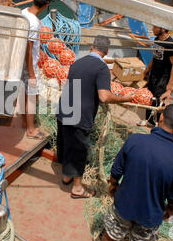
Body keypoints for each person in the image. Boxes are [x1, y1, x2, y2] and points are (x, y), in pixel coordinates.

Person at [100, 104, 173, 241]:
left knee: (110, 235)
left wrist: (113, 185)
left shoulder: (135, 140)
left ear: (161, 118)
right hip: (151, 214)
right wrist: (170, 208)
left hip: (124, 204)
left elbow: (116, 170)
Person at [56, 36, 134, 199]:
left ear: (92, 48)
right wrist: (124, 99)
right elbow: (104, 97)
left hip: (65, 108)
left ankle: (66, 176)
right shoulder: (102, 68)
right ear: (106, 52)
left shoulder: (77, 62)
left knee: (67, 143)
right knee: (78, 150)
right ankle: (77, 189)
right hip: (80, 115)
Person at [21, 0, 53, 139]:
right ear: (46, 5)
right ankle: (31, 129)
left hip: (19, 61)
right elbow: (28, 49)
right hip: (29, 64)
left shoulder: (24, 12)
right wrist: (32, 73)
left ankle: (24, 121)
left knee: (24, 94)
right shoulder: (33, 23)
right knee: (32, 96)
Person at [132, 26, 173, 127]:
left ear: (162, 29)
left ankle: (157, 123)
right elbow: (155, 56)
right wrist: (147, 69)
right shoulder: (157, 40)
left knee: (158, 100)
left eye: (155, 27)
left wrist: (170, 84)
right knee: (150, 97)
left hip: (163, 78)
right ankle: (148, 120)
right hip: (154, 74)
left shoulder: (171, 44)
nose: (153, 29)